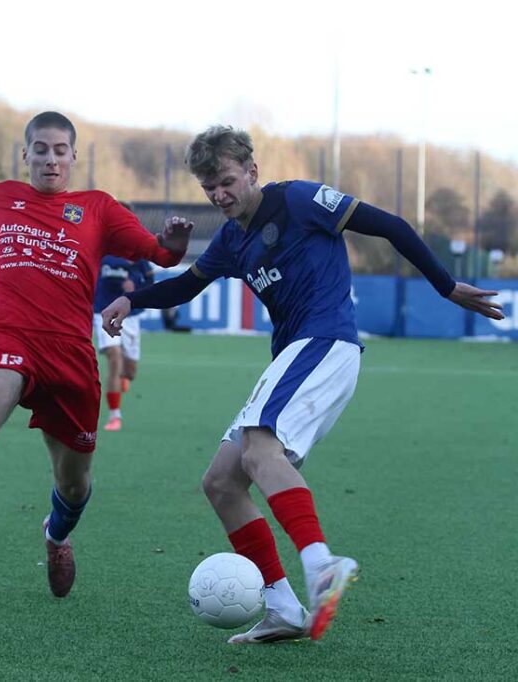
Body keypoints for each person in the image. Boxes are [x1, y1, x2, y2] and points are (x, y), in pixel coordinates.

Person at [101, 125, 504, 642]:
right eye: (209, 189)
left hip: (326, 342)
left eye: (227, 181)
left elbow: (391, 225)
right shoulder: (230, 238)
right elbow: (187, 284)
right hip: (299, 353)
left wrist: (446, 286)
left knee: (257, 446)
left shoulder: (299, 199)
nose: (220, 195)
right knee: (221, 483)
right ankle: (283, 606)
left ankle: (321, 565)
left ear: (252, 170)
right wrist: (132, 300)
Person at [0, 111, 192, 598]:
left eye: (60, 150)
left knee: (74, 484)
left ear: (74, 156)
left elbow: (155, 252)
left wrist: (173, 247)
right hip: (8, 335)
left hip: (70, 353)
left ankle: (56, 536)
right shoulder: (0, 198)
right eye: (41, 149)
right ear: (24, 153)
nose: (50, 159)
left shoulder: (99, 208)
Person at [92, 253, 154, 431]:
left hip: (130, 316)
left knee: (130, 372)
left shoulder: (140, 258)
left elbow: (150, 282)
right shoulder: (104, 255)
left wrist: (135, 288)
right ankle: (114, 415)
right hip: (103, 312)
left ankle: (124, 378)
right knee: (114, 357)